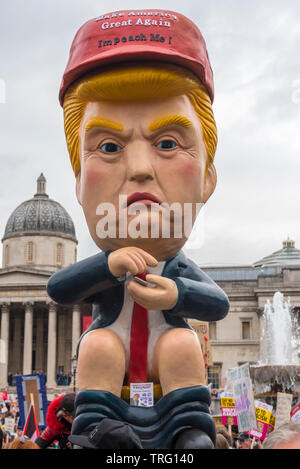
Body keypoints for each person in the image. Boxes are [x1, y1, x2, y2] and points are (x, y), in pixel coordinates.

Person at [47, 8, 229, 450]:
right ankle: (93, 430)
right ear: (78, 182)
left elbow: (218, 304)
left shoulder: (177, 266)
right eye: (108, 146)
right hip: (112, 361)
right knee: (98, 348)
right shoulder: (106, 266)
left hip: (168, 361)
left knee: (182, 345)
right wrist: (108, 266)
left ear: (207, 178)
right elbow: (59, 288)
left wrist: (177, 294)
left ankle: (190, 431)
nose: (141, 169)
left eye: (168, 143)